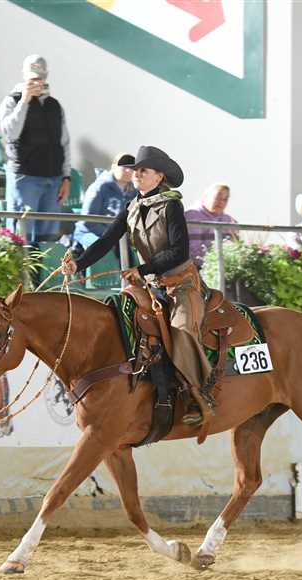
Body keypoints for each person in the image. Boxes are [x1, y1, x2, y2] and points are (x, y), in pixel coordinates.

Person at [61, 146, 214, 427]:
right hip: (151, 285)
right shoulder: (131, 206)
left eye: (143, 170)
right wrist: (78, 265)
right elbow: (106, 240)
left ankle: (199, 395)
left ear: (159, 176)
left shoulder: (171, 206)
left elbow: (179, 252)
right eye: (135, 170)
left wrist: (141, 270)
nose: (136, 174)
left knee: (182, 331)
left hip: (181, 284)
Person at [0, 54, 71, 243]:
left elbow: (64, 142)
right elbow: (10, 133)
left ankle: (44, 264)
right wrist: (24, 101)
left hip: (54, 179)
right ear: (24, 75)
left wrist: (66, 177)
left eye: (40, 77)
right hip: (25, 178)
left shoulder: (54, 105)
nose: (37, 82)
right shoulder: (12, 101)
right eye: (32, 78)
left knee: (48, 238)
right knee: (20, 236)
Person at [71, 152, 136, 254]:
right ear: (114, 167)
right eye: (124, 167)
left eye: (132, 168)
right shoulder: (99, 187)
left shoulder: (134, 191)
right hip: (88, 233)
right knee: (106, 249)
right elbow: (88, 221)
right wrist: (113, 235)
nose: (129, 171)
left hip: (118, 236)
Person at [184, 183, 238, 266]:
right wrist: (217, 266)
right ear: (205, 197)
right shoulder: (192, 215)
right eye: (217, 197)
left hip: (220, 267)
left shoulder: (228, 220)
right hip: (198, 268)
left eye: (225, 199)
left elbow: (235, 248)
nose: (221, 202)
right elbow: (193, 252)